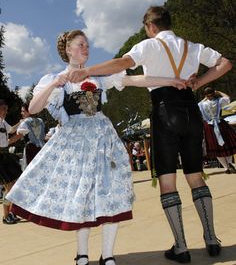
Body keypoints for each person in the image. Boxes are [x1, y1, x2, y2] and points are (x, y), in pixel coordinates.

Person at [66, 6, 232, 263]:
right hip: (191, 110)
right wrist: (198, 82)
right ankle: (211, 239)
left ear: (150, 27)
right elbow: (225, 64)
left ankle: (181, 246)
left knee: (168, 182)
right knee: (196, 177)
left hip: (165, 112)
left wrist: (88, 71)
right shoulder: (192, 47)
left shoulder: (149, 46)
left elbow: (123, 64)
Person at [6, 29, 186, 265]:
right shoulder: (55, 79)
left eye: (88, 45)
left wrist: (169, 81)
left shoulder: (99, 76)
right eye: (81, 45)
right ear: (68, 49)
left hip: (104, 140)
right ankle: (82, 253)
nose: (86, 49)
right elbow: (34, 107)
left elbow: (133, 80)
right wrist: (54, 85)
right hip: (76, 144)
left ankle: (108, 254)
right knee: (83, 196)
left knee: (111, 193)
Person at [198, 87, 236, 174]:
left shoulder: (202, 104)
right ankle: (229, 164)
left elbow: (198, 105)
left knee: (216, 147)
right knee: (227, 145)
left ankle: (226, 168)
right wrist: (219, 91)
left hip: (209, 126)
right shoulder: (219, 101)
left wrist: (205, 98)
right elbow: (228, 98)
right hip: (220, 123)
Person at [0, 99, 22, 224]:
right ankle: (5, 216)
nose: (6, 111)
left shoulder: (3, 122)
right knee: (8, 186)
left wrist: (21, 122)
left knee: (12, 185)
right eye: (4, 109)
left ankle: (11, 213)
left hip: (5, 155)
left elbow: (12, 130)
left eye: (6, 109)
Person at [15, 103, 45, 170]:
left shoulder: (25, 122)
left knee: (32, 170)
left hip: (31, 149)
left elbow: (19, 135)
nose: (21, 113)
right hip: (42, 148)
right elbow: (43, 135)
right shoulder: (40, 121)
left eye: (23, 111)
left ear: (29, 111)